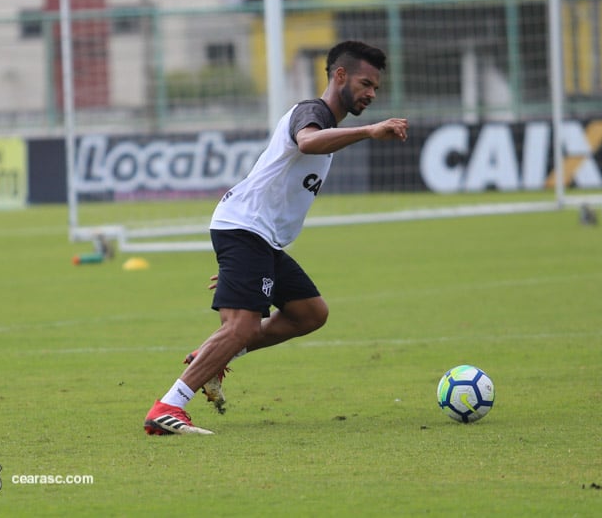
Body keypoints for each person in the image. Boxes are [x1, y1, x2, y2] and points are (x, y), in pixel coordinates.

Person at [144, 40, 409, 435]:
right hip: (245, 228)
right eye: (366, 83)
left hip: (260, 241)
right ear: (340, 76)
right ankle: (168, 407)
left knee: (310, 313)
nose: (371, 94)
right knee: (243, 326)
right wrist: (370, 130)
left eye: (375, 88)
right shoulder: (312, 112)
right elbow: (307, 141)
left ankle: (215, 354)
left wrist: (249, 273)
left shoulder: (328, 124)